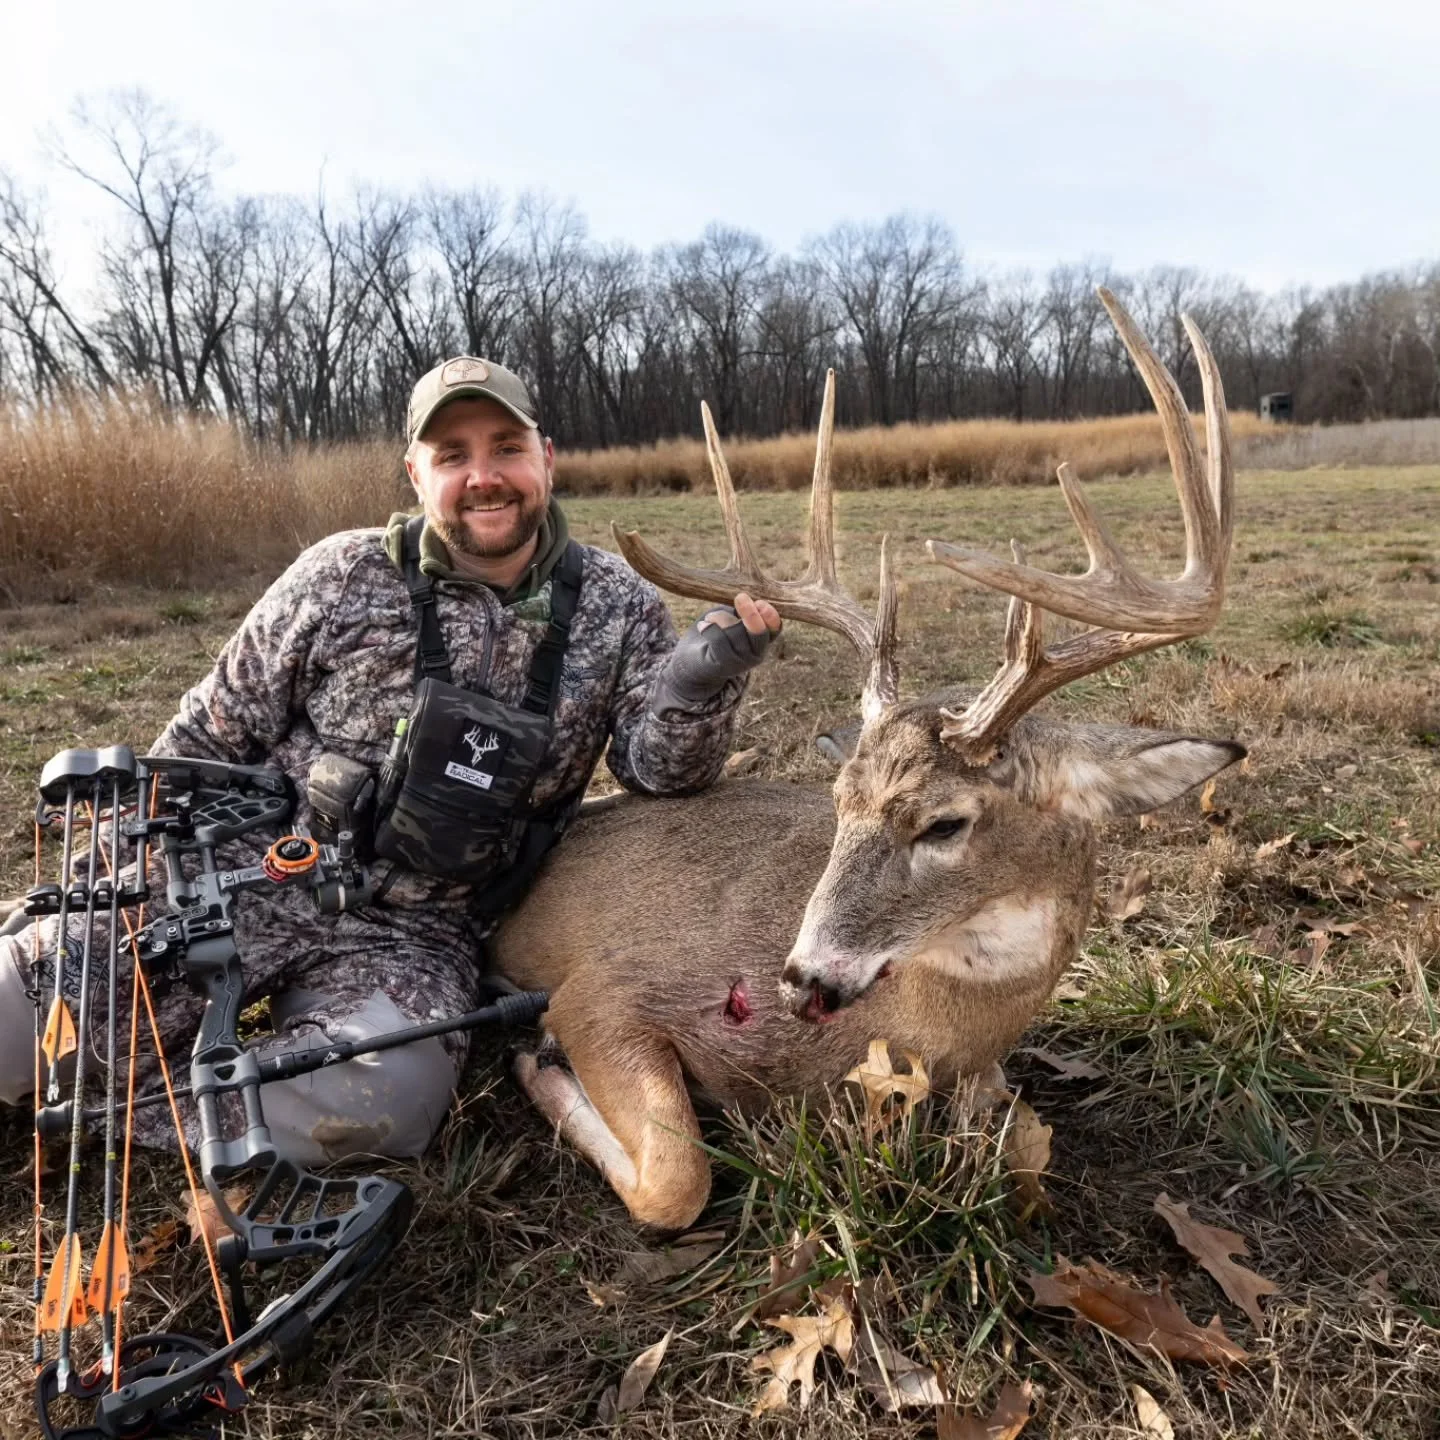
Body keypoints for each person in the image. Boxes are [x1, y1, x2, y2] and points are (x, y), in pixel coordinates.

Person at [0, 355, 780, 1165]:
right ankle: (132, 1079)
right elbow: (201, 743)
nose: (485, 477)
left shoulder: (616, 608)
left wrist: (699, 680)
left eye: (506, 447)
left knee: (383, 1106)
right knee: (13, 1012)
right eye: (453, 457)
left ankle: (100, 1116)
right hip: (247, 875)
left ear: (545, 458)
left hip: (419, 936)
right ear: (416, 473)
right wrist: (106, 878)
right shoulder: (339, 576)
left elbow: (660, 775)